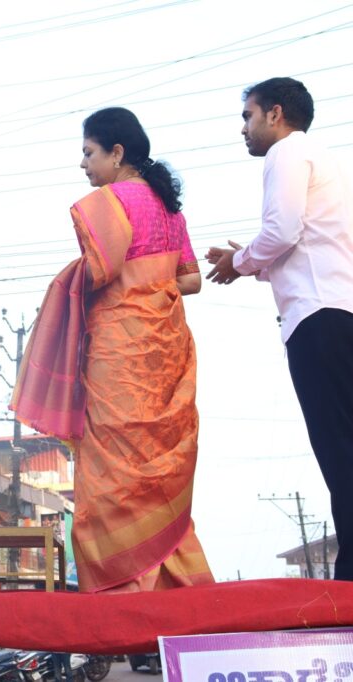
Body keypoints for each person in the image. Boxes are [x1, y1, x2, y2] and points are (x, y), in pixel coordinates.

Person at [12, 107, 213, 592]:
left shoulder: (108, 203)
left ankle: (125, 586)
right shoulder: (169, 208)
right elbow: (191, 280)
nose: (83, 164)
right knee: (158, 462)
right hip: (165, 349)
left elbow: (100, 271)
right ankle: (175, 578)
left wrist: (76, 278)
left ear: (117, 153)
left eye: (88, 152)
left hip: (119, 351)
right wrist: (153, 284)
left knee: (111, 465)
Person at [206, 77, 353, 581]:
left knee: (339, 450)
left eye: (247, 117)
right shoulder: (324, 157)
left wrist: (239, 261)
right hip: (339, 310)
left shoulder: (286, 153)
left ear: (274, 114)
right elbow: (302, 243)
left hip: (316, 319)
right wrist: (251, 262)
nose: (243, 129)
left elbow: (282, 231)